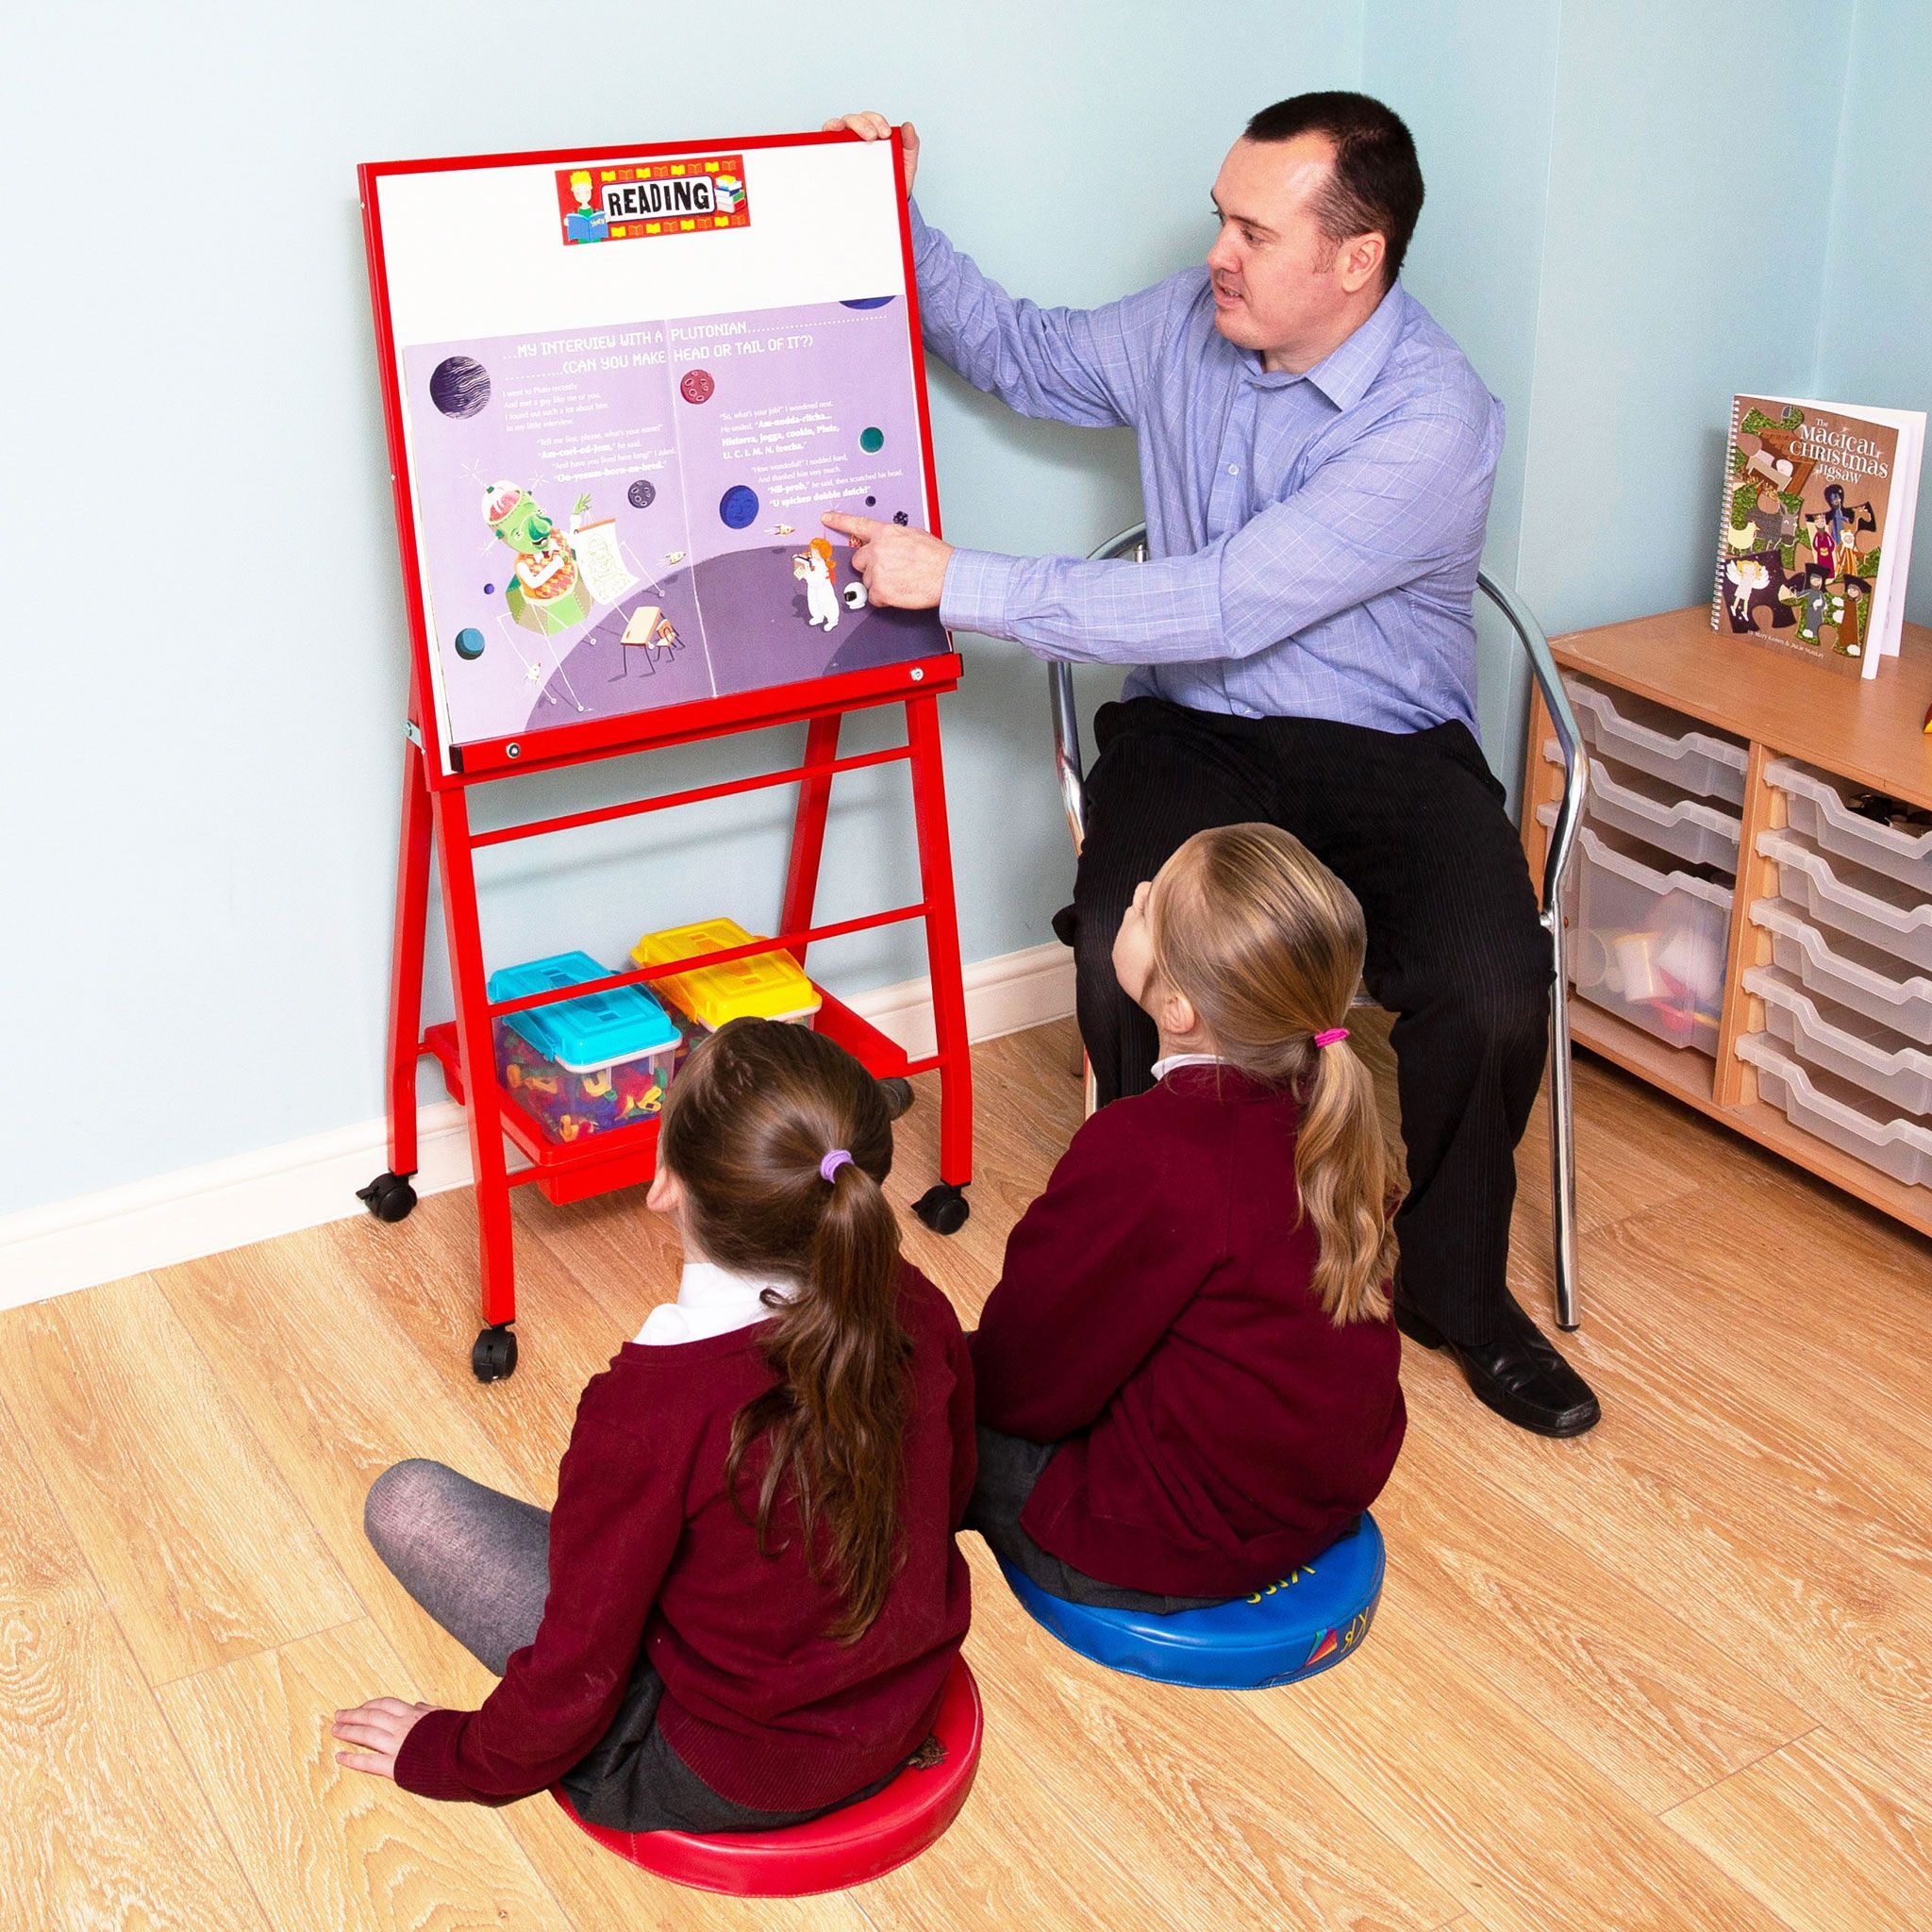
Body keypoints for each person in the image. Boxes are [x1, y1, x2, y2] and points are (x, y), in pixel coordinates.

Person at [822, 94, 1598, 1438]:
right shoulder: (1190, 323)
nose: (1218, 255)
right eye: (1218, 220)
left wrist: (958, 584)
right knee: (1126, 941)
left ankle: (1457, 1291)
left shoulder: (1435, 421)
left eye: (1253, 228)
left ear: (1356, 257)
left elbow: (1226, 602)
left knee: (1495, 985)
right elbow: (1020, 352)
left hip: (1387, 746)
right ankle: (1150, 1260)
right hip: (1197, 733)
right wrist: (887, 203)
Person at [332, 1020, 976, 1831]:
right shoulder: (916, 1297)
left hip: (727, 1769)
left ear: (665, 1182)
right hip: (901, 1702)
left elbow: (578, 1676)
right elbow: (949, 1495)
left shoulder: (649, 1409)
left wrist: (447, 1752)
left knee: (407, 1500)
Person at [968, 824, 1404, 1608]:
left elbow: (1022, 1377)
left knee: (903, 1401)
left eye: (1145, 906)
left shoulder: (1148, 1154)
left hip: (1168, 1544)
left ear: (1176, 1005)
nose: (1130, 898)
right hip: (1313, 1499)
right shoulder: (1335, 1108)